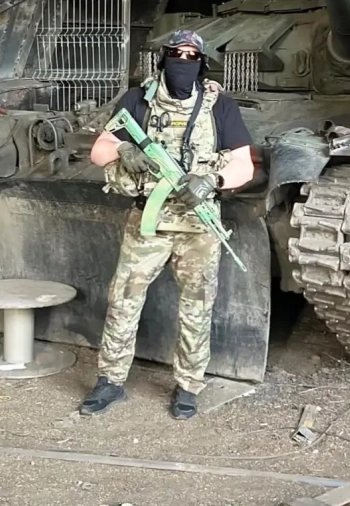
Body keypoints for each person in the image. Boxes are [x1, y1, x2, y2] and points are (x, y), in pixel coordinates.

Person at [79, 30, 255, 420]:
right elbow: (98, 152)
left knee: (197, 307)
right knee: (123, 301)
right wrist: (124, 147)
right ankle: (110, 381)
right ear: (164, 58)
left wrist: (212, 181)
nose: (183, 61)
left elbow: (243, 165)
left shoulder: (220, 106)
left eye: (192, 56)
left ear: (202, 63)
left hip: (198, 227)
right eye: (176, 53)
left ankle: (189, 386)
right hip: (148, 221)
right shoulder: (137, 101)